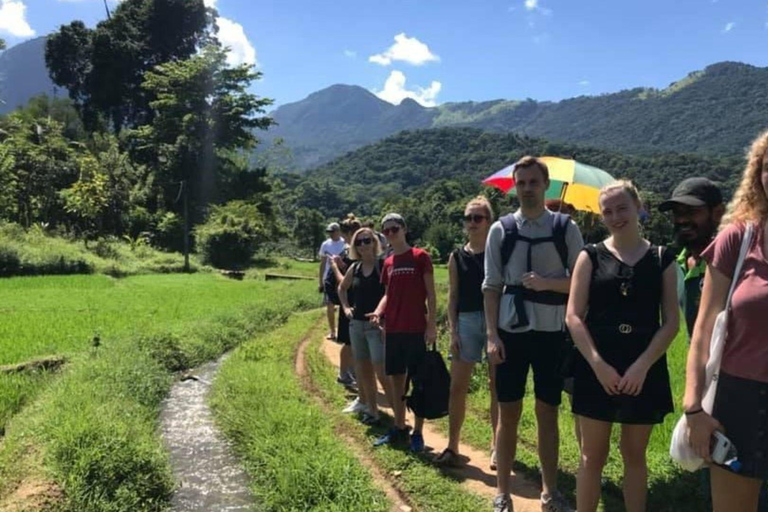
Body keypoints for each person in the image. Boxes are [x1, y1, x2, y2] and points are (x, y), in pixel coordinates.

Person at [566, 180, 679, 512]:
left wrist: (642, 366)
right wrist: (598, 365)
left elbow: (671, 321)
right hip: (596, 365)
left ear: (638, 207)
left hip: (643, 366)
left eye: (622, 208)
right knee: (591, 455)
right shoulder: (590, 256)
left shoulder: (662, 258)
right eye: (608, 211)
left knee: (634, 454)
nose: (615, 216)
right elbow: (573, 316)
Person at [484, 156, 583, 512]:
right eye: (521, 183)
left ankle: (549, 492)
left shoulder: (565, 228)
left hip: (551, 334)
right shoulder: (501, 229)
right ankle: (503, 493)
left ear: (545, 185)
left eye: (533, 182)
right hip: (512, 333)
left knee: (548, 412)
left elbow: (580, 282)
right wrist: (492, 335)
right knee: (508, 413)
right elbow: (491, 287)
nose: (527, 188)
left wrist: (547, 284)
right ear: (515, 186)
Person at [684, 129, 768, 512]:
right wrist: (694, 410)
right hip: (739, 401)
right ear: (758, 175)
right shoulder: (737, 239)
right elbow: (702, 330)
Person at [435, 196, 499, 468]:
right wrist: (453, 332)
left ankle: (498, 447)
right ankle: (453, 444)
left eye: (478, 217)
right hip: (467, 321)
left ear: (489, 221)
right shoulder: (456, 256)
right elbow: (453, 296)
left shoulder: (499, 252)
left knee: (497, 387)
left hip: (495, 320)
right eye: (468, 218)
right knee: (457, 387)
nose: (472, 223)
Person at [368, 213, 437, 453]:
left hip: (416, 328)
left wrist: (432, 325)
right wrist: (379, 311)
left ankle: (418, 432)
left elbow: (431, 293)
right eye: (385, 231)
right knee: (396, 379)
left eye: (394, 229)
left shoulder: (420, 257)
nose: (390, 234)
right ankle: (400, 426)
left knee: (418, 382)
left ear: (404, 229)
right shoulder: (388, 263)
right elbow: (388, 294)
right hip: (393, 329)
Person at [338, 227, 393, 425]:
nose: (363, 245)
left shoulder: (383, 266)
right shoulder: (355, 268)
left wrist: (382, 315)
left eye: (367, 241)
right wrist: (345, 308)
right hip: (357, 325)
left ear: (374, 243)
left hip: (375, 326)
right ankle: (372, 410)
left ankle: (399, 416)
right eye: (359, 242)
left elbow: (389, 293)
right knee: (363, 369)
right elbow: (342, 288)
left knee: (381, 370)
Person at [328, 215, 361, 389]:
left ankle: (351, 372)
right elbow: (344, 282)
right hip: (348, 301)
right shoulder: (350, 252)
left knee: (354, 342)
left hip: (354, 301)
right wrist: (335, 268)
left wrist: (337, 266)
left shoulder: (352, 252)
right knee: (349, 342)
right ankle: (344, 374)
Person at [318, 222, 345, 340]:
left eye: (333, 232)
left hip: (342, 276)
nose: (331, 234)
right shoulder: (325, 244)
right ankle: (332, 331)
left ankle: (344, 330)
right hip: (329, 279)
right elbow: (322, 263)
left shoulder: (345, 244)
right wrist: (320, 281)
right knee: (330, 305)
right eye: (329, 232)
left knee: (343, 305)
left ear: (339, 231)